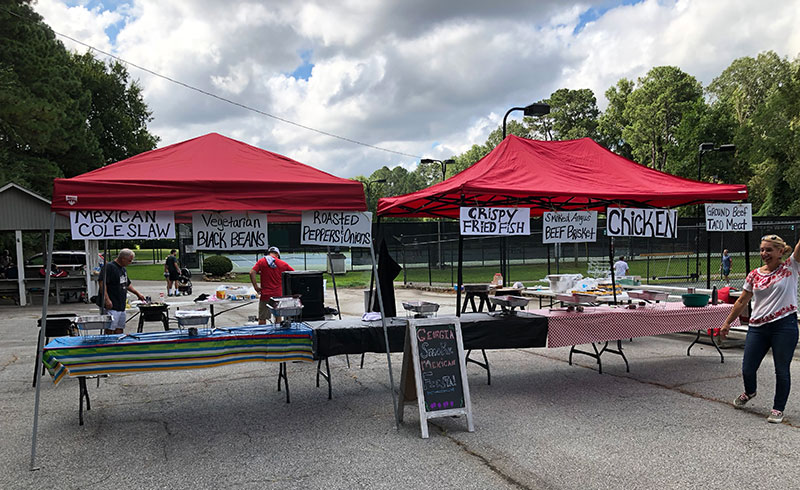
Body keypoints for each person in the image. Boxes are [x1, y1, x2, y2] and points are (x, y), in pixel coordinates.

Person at [720, 234, 800, 424]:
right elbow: (741, 301)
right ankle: (749, 392)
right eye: (762, 249)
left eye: (769, 250)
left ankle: (778, 408)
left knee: (781, 369)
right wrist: (727, 322)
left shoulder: (791, 266)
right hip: (758, 327)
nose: (764, 253)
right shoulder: (754, 274)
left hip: (784, 326)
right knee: (748, 368)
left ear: (780, 251)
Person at [98, 249, 145, 334]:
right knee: (110, 327)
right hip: (112, 304)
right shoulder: (109, 267)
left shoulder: (123, 269)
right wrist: (107, 299)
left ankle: (118, 344)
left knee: (120, 327)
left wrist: (138, 293)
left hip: (121, 305)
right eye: (129, 260)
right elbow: (102, 283)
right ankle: (108, 344)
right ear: (123, 258)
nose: (130, 262)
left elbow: (126, 284)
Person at [250, 246, 294, 324]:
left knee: (262, 318)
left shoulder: (261, 261)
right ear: (277, 254)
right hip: (278, 295)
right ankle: (277, 335)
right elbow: (293, 274)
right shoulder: (282, 264)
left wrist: (256, 287)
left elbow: (252, 272)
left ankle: (262, 335)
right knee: (278, 317)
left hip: (265, 294)